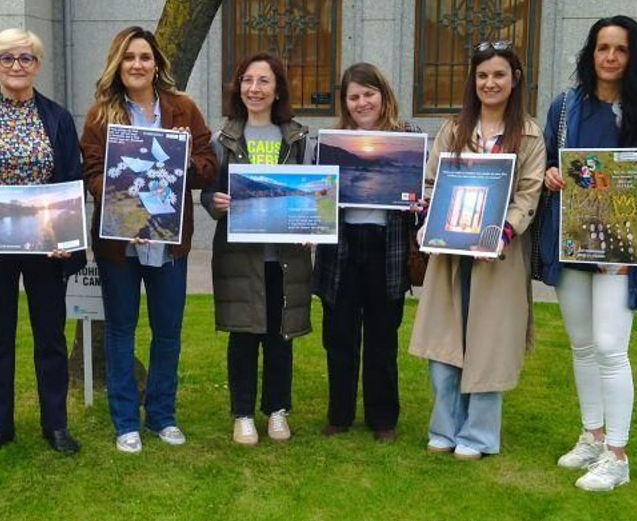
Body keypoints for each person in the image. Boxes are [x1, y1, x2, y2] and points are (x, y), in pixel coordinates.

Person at [536, 16, 637, 492]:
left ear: (632, 56)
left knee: (609, 346)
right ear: (591, 53)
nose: (611, 57)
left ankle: (617, 455)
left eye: (620, 49)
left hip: (622, 246)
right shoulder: (565, 109)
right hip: (573, 239)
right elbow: (544, 170)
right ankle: (593, 435)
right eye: (603, 48)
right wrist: (550, 179)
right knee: (581, 345)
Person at [0, 28, 87, 456]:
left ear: (37, 65)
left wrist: (70, 235)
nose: (16, 67)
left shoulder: (58, 118)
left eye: (25, 59)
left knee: (50, 337)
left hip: (47, 246)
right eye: (7, 59)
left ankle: (56, 425)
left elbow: (72, 182)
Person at [79, 26, 218, 453]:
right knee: (120, 330)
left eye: (144, 56)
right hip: (120, 243)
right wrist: (127, 195)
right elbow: (91, 172)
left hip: (168, 242)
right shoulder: (101, 115)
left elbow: (209, 162)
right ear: (117, 65)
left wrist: (179, 167)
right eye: (128, 57)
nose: (136, 64)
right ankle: (126, 422)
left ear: (156, 63)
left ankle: (161, 415)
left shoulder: (182, 109)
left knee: (168, 331)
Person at [408, 41, 545, 460]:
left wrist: (503, 232)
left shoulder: (530, 135)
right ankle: (445, 427)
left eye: (499, 74)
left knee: (489, 342)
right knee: (445, 339)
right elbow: (432, 183)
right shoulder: (454, 130)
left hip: (498, 258)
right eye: (482, 75)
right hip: (451, 254)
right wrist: (428, 214)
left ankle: (479, 435)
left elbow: (528, 193)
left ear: (515, 79)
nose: (490, 83)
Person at [204, 52, 313, 445]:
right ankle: (243, 414)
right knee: (243, 336)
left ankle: (278, 410)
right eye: (248, 80)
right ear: (239, 87)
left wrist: (315, 222)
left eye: (264, 81)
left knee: (280, 337)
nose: (255, 89)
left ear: (278, 88)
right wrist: (214, 202)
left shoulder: (297, 138)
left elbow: (314, 194)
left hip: (284, 258)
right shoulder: (224, 138)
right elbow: (209, 192)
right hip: (240, 256)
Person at [312, 63, 418, 443]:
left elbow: (423, 194)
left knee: (382, 336)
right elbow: (316, 196)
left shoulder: (408, 137)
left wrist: (418, 202)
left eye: (368, 94)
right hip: (339, 249)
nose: (362, 103)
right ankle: (339, 414)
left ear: (383, 94)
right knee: (338, 335)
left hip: (386, 249)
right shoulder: (330, 142)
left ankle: (382, 418)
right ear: (345, 102)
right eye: (354, 97)